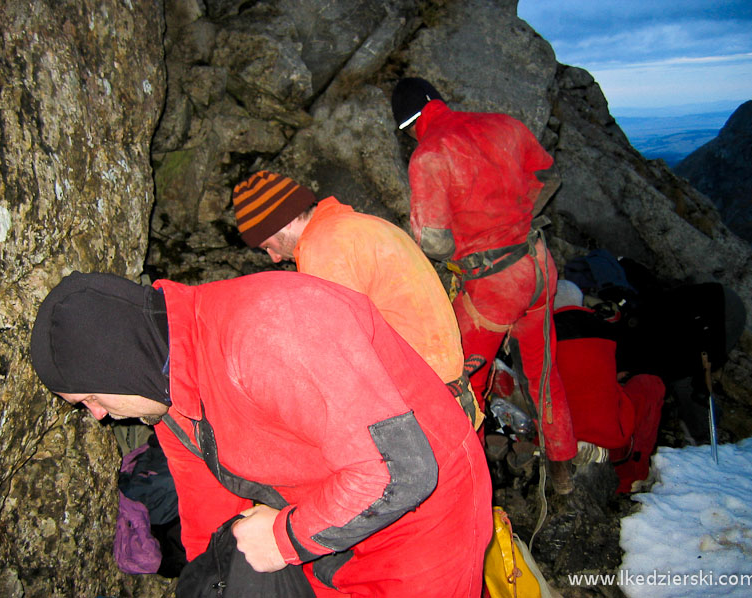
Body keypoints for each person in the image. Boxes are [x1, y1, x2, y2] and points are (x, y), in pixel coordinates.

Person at [30, 271, 493, 597]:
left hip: (425, 523)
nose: (96, 416)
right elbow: (205, 504)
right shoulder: (170, 400)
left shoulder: (268, 330)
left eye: (89, 398)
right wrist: (205, 579)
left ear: (117, 366)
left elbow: (400, 470)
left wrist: (286, 538)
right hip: (325, 519)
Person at [390, 77, 577, 492]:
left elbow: (433, 241)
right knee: (544, 372)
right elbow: (548, 175)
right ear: (437, 100)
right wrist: (516, 220)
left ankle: (471, 487)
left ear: (408, 124)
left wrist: (475, 242)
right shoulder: (504, 125)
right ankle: (562, 469)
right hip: (539, 266)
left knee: (463, 384)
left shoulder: (430, 154)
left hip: (493, 286)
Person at [232, 169, 483, 429]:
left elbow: (343, 355)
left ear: (281, 221)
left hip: (425, 410)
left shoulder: (323, 247)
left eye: (268, 245)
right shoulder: (359, 225)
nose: (274, 257)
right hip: (450, 391)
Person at [553, 280, 666, 493]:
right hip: (610, 437)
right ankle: (633, 475)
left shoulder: (539, 334)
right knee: (651, 385)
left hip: (559, 431)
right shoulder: (607, 329)